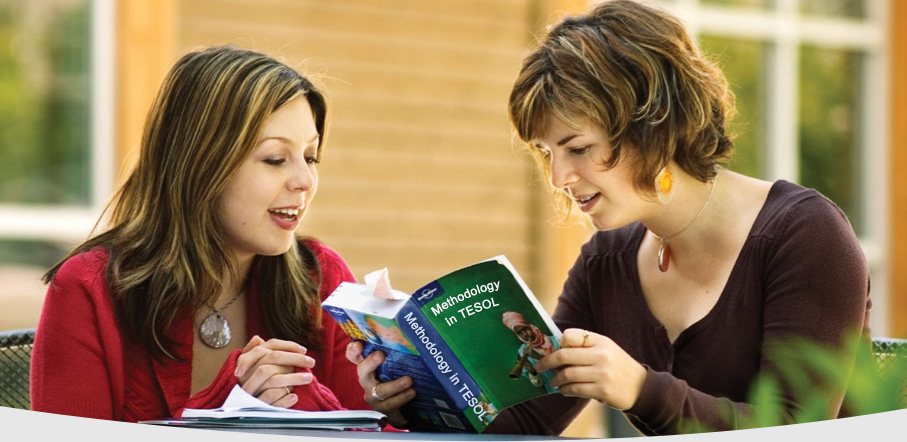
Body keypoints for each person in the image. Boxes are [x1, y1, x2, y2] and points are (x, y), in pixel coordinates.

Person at [346, 0, 871, 435]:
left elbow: (799, 428)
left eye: (578, 148)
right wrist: (413, 399)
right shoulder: (608, 261)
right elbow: (528, 423)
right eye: (547, 152)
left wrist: (641, 389)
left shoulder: (805, 236)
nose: (558, 177)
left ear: (655, 127)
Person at [31, 45, 370, 421]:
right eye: (275, 159)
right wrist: (226, 413)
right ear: (202, 163)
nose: (305, 180)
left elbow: (368, 426)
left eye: (310, 157)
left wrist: (402, 408)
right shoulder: (88, 289)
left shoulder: (321, 278)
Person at [502, 311, 558, 393]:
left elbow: (566, 365)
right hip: (554, 391)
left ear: (530, 327)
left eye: (524, 329)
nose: (524, 334)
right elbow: (539, 384)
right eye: (519, 333)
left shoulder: (555, 341)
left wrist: (538, 357)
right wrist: (532, 371)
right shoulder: (522, 352)